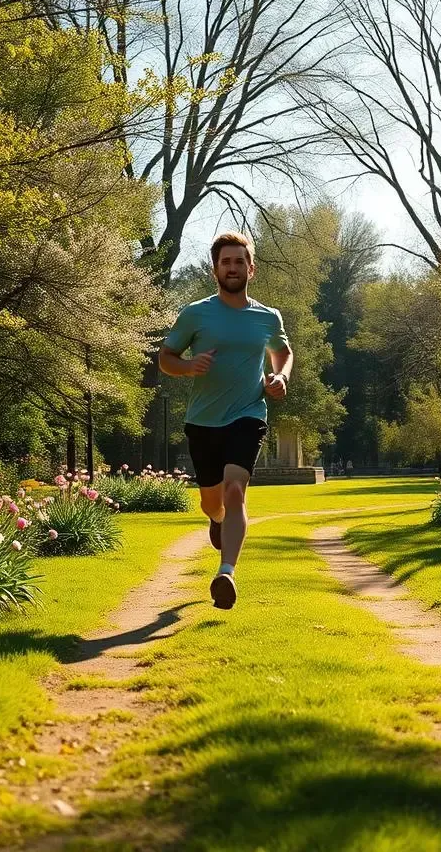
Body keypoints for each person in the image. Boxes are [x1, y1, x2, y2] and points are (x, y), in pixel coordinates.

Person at [158, 232, 293, 610]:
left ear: (251, 268)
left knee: (237, 490)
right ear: (215, 269)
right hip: (203, 421)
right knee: (212, 503)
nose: (232, 268)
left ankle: (226, 573)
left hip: (248, 413)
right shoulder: (196, 313)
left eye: (239, 262)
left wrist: (279, 376)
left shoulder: (268, 317)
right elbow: (166, 357)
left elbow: (282, 352)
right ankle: (217, 519)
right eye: (225, 262)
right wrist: (187, 367)